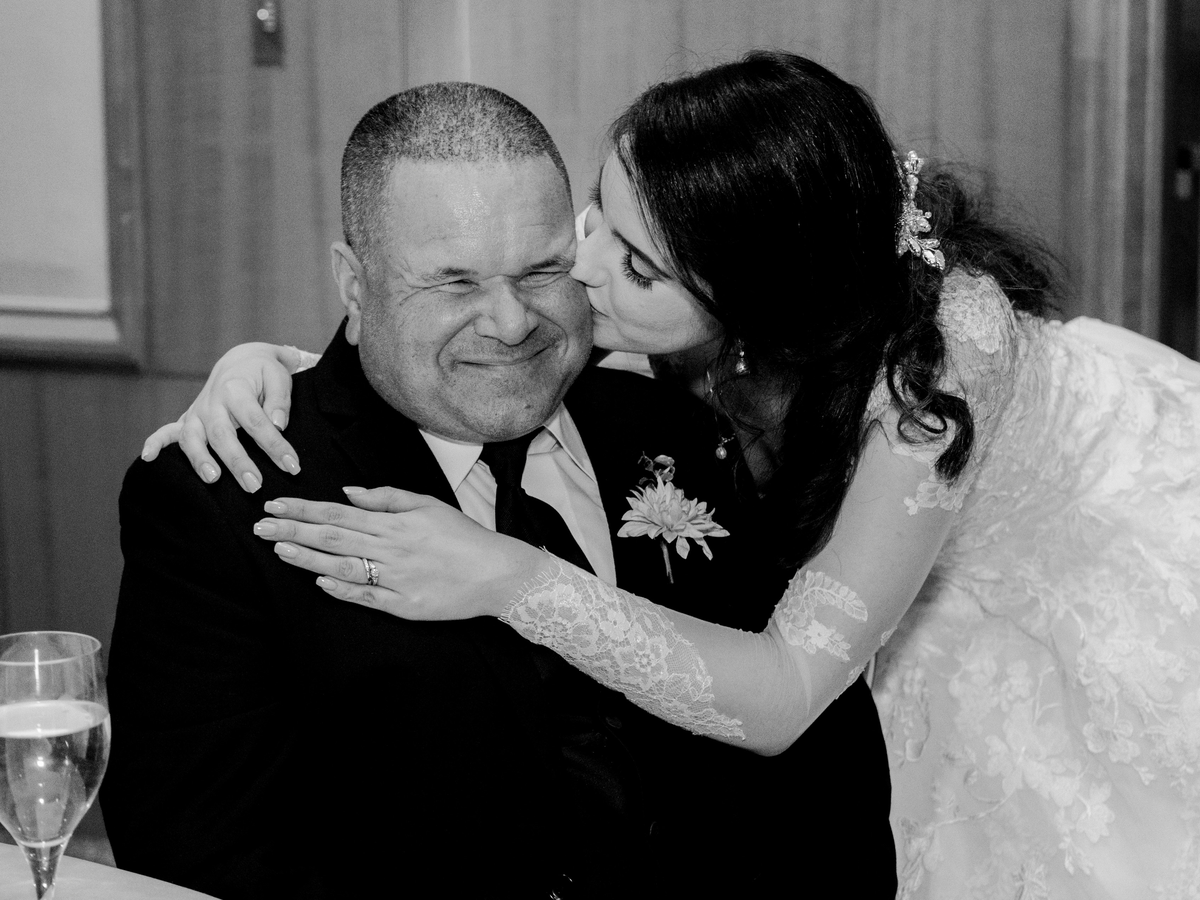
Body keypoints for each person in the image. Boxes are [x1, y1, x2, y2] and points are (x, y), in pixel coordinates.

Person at [148, 50, 1200, 897]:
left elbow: (784, 696)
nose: (578, 273)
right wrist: (275, 365)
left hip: (1100, 559)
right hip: (871, 595)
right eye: (596, 219)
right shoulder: (650, 306)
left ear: (747, 307)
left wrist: (508, 575)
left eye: (637, 267)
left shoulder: (937, 372)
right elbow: (449, 337)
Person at [109, 78, 897, 899]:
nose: (512, 322)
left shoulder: (675, 427)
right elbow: (199, 859)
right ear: (354, 283)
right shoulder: (225, 499)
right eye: (455, 283)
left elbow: (828, 785)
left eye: (543, 268)